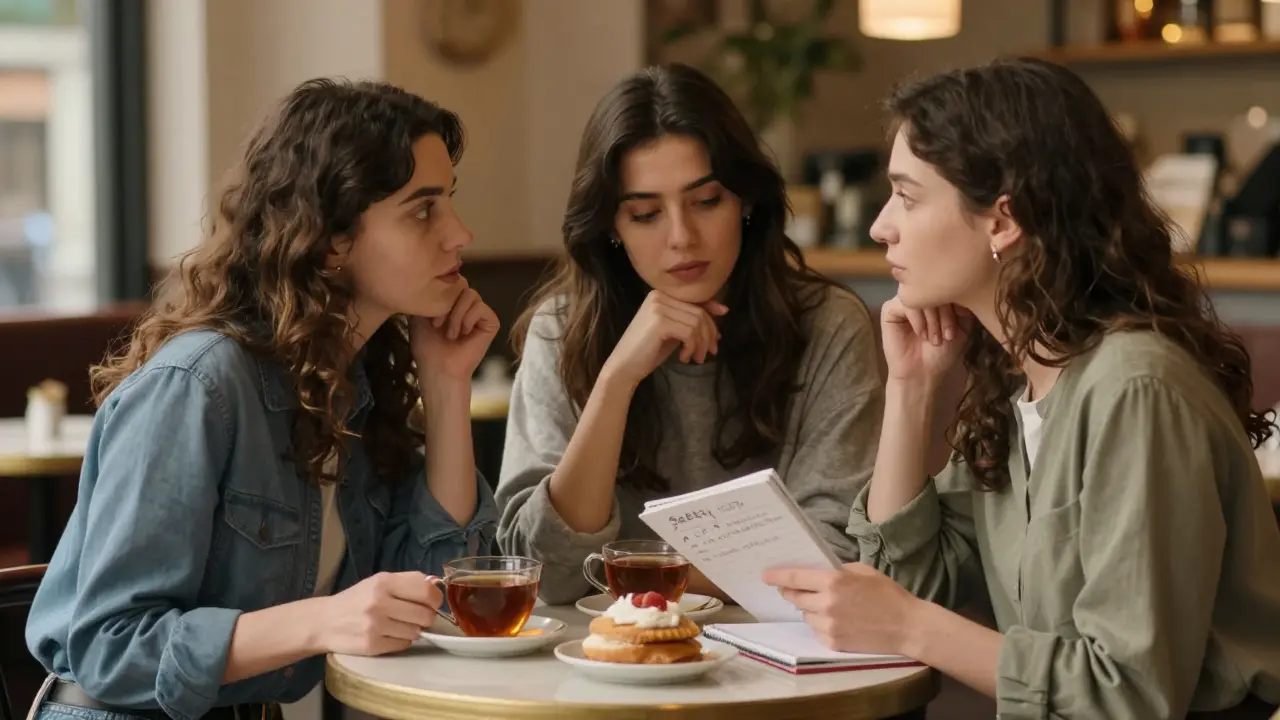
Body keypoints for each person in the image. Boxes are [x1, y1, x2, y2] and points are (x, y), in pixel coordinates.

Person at [763, 57, 1280, 719]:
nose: (879, 225)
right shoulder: (1026, 386)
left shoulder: (1134, 390)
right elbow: (899, 589)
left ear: (1002, 221)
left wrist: (910, 626)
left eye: (909, 196)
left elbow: (1128, 694)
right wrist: (912, 390)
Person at [25, 78, 501, 720]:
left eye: (449, 203)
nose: (460, 234)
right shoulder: (199, 384)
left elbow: (442, 598)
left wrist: (446, 386)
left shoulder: (353, 387)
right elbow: (109, 647)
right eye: (423, 209)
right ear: (333, 238)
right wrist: (321, 621)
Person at [495, 63, 885, 605]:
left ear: (746, 202)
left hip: (775, 658)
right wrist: (616, 381)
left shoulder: (827, 323)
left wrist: (635, 578)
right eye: (646, 213)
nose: (682, 237)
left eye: (706, 202)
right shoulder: (561, 331)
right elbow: (546, 572)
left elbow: (834, 558)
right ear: (612, 226)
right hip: (600, 664)